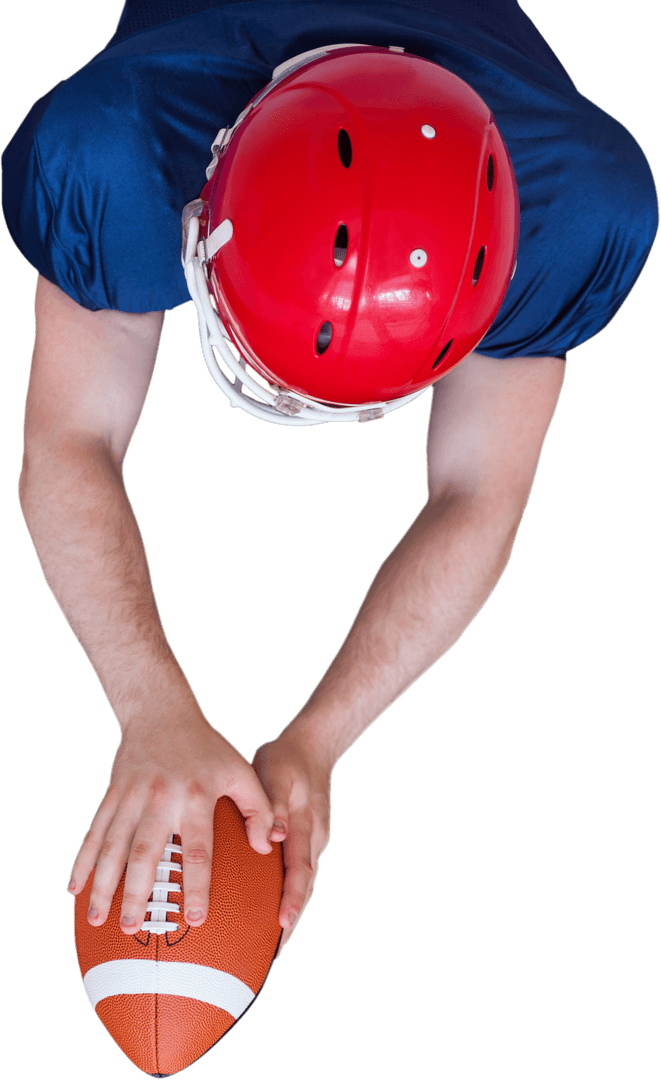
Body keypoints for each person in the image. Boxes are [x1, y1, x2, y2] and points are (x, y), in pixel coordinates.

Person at [2, 0, 656, 972]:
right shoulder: (118, 145)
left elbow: (479, 493)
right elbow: (66, 440)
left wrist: (318, 739)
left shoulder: (571, 204)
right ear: (207, 202)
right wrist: (150, 706)